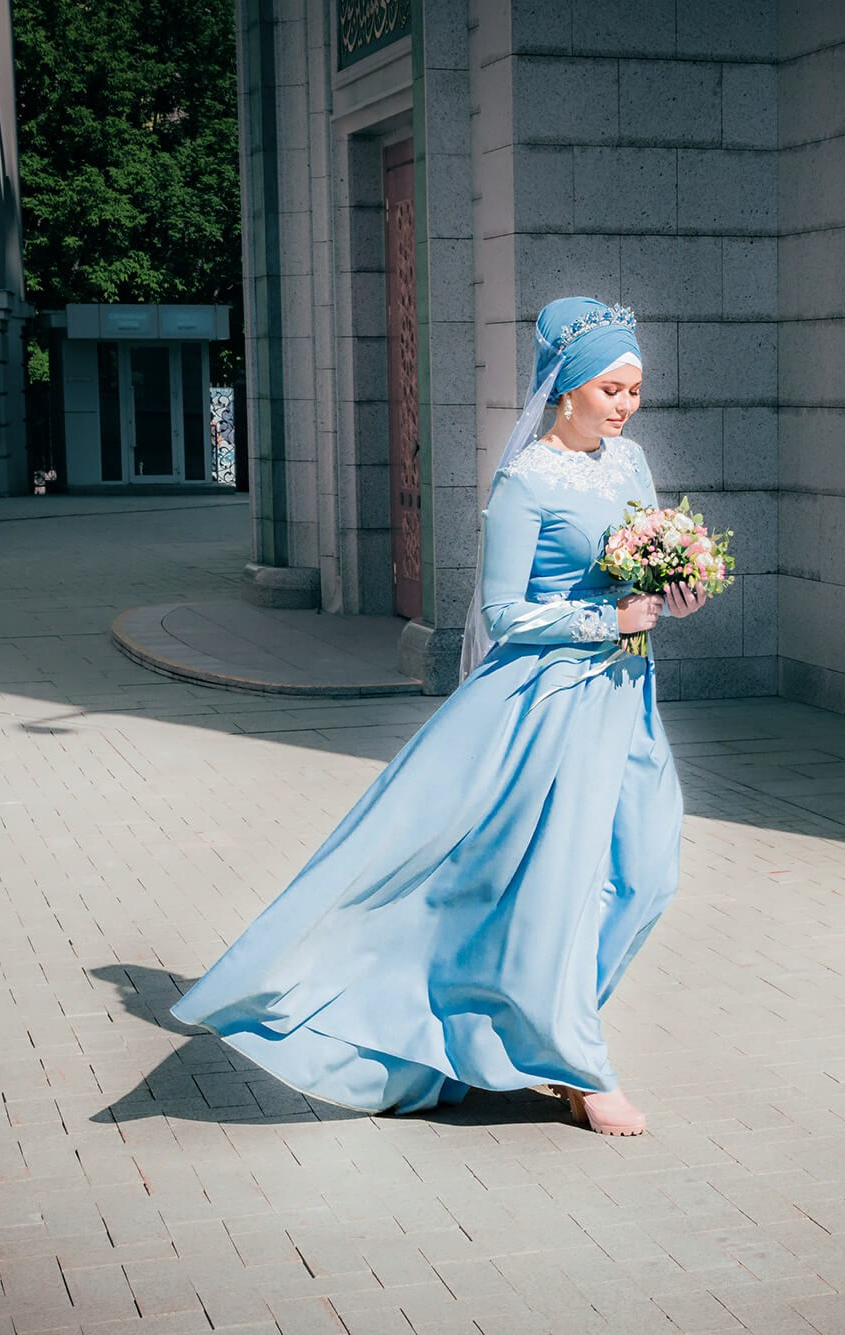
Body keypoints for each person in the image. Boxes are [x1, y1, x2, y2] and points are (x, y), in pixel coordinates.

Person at [170, 297, 706, 1135]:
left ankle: (529, 1030)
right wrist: (603, 619)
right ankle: (574, 1061)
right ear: (567, 387)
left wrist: (676, 590)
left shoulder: (631, 463)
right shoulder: (526, 482)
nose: (626, 406)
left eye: (635, 390)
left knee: (646, 873)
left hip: (625, 697)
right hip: (545, 708)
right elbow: (502, 613)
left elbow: (648, 563)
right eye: (611, 388)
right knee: (555, 889)